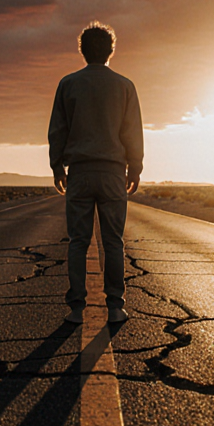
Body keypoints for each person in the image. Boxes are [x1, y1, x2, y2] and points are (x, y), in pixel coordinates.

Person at [48, 22, 144, 325]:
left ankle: (77, 308)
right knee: (113, 241)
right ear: (110, 50)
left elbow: (58, 130)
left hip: (79, 172)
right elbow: (132, 132)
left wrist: (56, 166)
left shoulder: (68, 84)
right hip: (113, 172)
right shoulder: (125, 85)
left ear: (83, 50)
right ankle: (115, 306)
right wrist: (136, 166)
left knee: (78, 241)